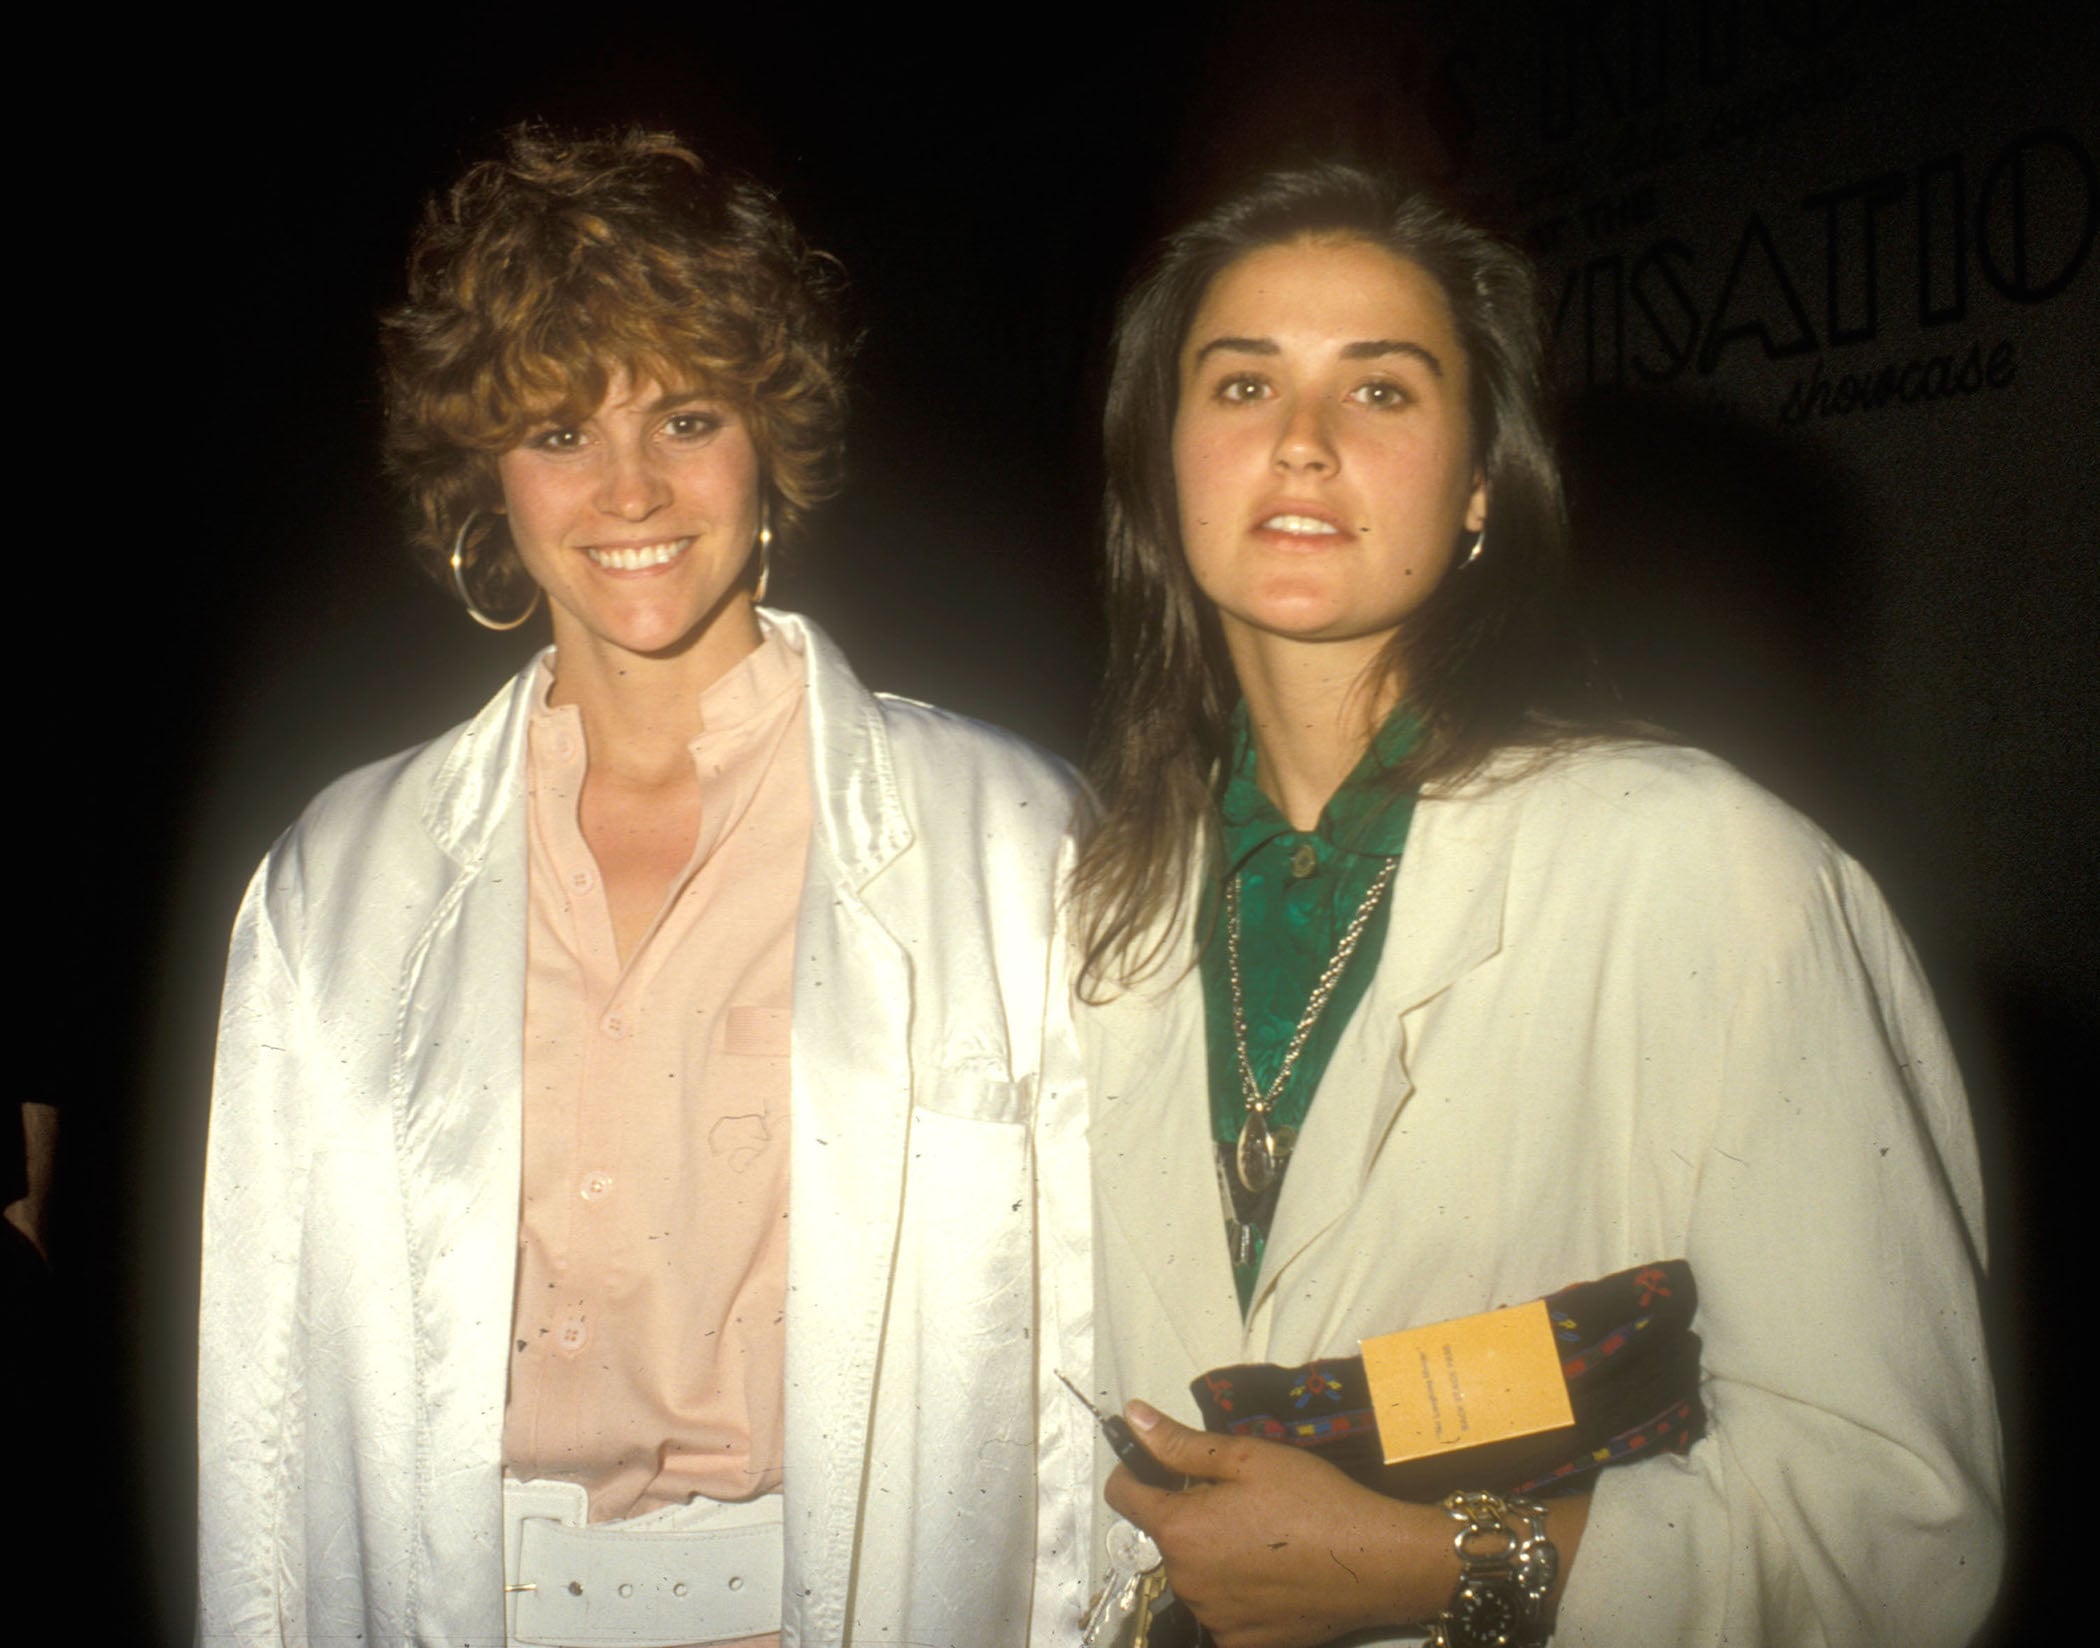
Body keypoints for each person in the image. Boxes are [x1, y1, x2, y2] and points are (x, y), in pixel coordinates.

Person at [1070, 162, 2002, 1648]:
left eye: (1381, 390)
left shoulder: (1713, 867)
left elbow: (1901, 1534)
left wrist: (1431, 1564)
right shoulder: (1075, 908)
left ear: (1482, 485)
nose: (1301, 441)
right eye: (1243, 384)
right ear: (1165, 462)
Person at [197, 125, 1092, 1648]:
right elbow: (264, 1442)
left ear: (769, 437)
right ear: (484, 472)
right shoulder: (334, 883)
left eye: (684, 418)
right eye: (559, 430)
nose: (629, 490)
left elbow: (1080, 1376)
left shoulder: (1004, 838)